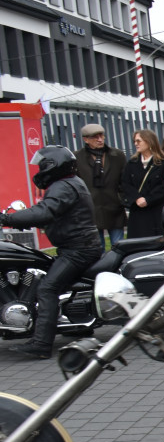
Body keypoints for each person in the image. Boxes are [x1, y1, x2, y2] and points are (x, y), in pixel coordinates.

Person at [1, 146, 104, 358]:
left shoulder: (63, 186)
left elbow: (45, 211)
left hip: (78, 249)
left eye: (42, 165)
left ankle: (40, 345)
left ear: (53, 166)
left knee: (47, 289)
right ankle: (78, 325)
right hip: (80, 246)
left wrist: (7, 219)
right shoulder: (69, 183)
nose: (39, 169)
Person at [74, 123, 126, 248]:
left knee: (119, 246)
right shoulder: (77, 158)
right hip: (91, 209)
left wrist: (122, 198)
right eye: (95, 137)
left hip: (114, 207)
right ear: (86, 139)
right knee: (98, 247)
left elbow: (124, 180)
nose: (100, 140)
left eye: (101, 136)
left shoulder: (116, 155)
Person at [121, 129, 164, 238]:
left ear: (149, 141)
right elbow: (125, 183)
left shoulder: (163, 163)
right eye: (135, 141)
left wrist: (148, 200)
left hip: (155, 211)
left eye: (139, 141)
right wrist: (137, 198)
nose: (136, 144)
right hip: (137, 211)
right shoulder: (132, 163)